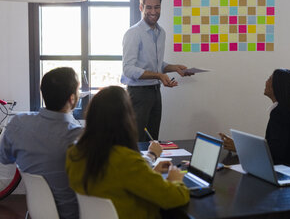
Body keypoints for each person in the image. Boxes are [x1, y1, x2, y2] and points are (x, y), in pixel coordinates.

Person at [66, 86, 189, 219]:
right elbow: (175, 198)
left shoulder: (74, 153)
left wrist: (151, 174)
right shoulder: (125, 160)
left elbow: (114, 184)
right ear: (126, 118)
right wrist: (176, 180)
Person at [0, 67, 82, 219]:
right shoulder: (79, 137)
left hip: (35, 213)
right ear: (72, 98)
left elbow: (4, 157)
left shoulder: (18, 123)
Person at [121, 0, 194, 142]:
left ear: (161, 7)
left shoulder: (161, 33)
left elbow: (156, 65)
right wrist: (159, 75)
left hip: (155, 92)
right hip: (138, 94)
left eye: (157, 7)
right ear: (141, 8)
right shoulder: (133, 33)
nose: (153, 11)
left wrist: (174, 68)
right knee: (137, 142)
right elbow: (128, 69)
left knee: (153, 141)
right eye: (148, 7)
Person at [219, 69, 290, 170]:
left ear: (278, 85)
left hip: (287, 172)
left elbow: (274, 153)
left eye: (269, 79)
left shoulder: (280, 113)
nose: (266, 82)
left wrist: (240, 147)